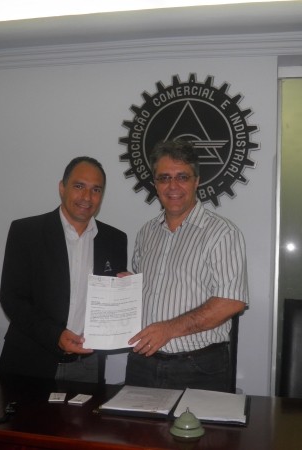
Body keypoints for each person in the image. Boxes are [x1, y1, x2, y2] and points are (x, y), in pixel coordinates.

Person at [124, 140, 248, 392]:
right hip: (143, 363)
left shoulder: (222, 233)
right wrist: (127, 290)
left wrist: (169, 329)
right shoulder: (146, 233)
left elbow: (231, 302)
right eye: (164, 178)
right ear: (155, 184)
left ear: (196, 181)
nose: (173, 186)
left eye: (182, 177)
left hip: (198, 367)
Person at [0, 156, 127, 382]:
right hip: (30, 361)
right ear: (62, 188)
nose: (87, 197)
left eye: (96, 190)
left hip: (87, 365)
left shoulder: (114, 240)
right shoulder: (26, 232)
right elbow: (12, 299)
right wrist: (56, 336)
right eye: (79, 186)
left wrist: (125, 293)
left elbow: (110, 305)